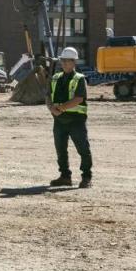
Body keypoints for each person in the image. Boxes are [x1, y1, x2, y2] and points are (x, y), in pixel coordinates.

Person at [49, 47, 93, 189]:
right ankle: (65, 176)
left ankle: (86, 177)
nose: (64, 63)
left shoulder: (79, 79)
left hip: (76, 121)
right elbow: (47, 96)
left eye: (68, 61)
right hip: (59, 121)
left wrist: (60, 109)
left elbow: (79, 99)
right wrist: (51, 108)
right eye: (63, 61)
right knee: (60, 150)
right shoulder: (55, 78)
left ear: (74, 62)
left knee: (83, 149)